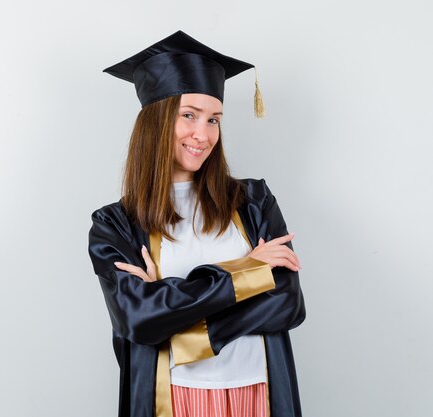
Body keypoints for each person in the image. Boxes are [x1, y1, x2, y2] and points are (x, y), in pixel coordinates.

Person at [87, 31, 305, 417]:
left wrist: (177, 320)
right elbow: (139, 319)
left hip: (257, 394)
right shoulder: (117, 224)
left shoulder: (253, 202)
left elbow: (287, 302)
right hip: (173, 397)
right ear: (156, 122)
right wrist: (250, 269)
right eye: (188, 115)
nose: (202, 135)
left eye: (214, 120)